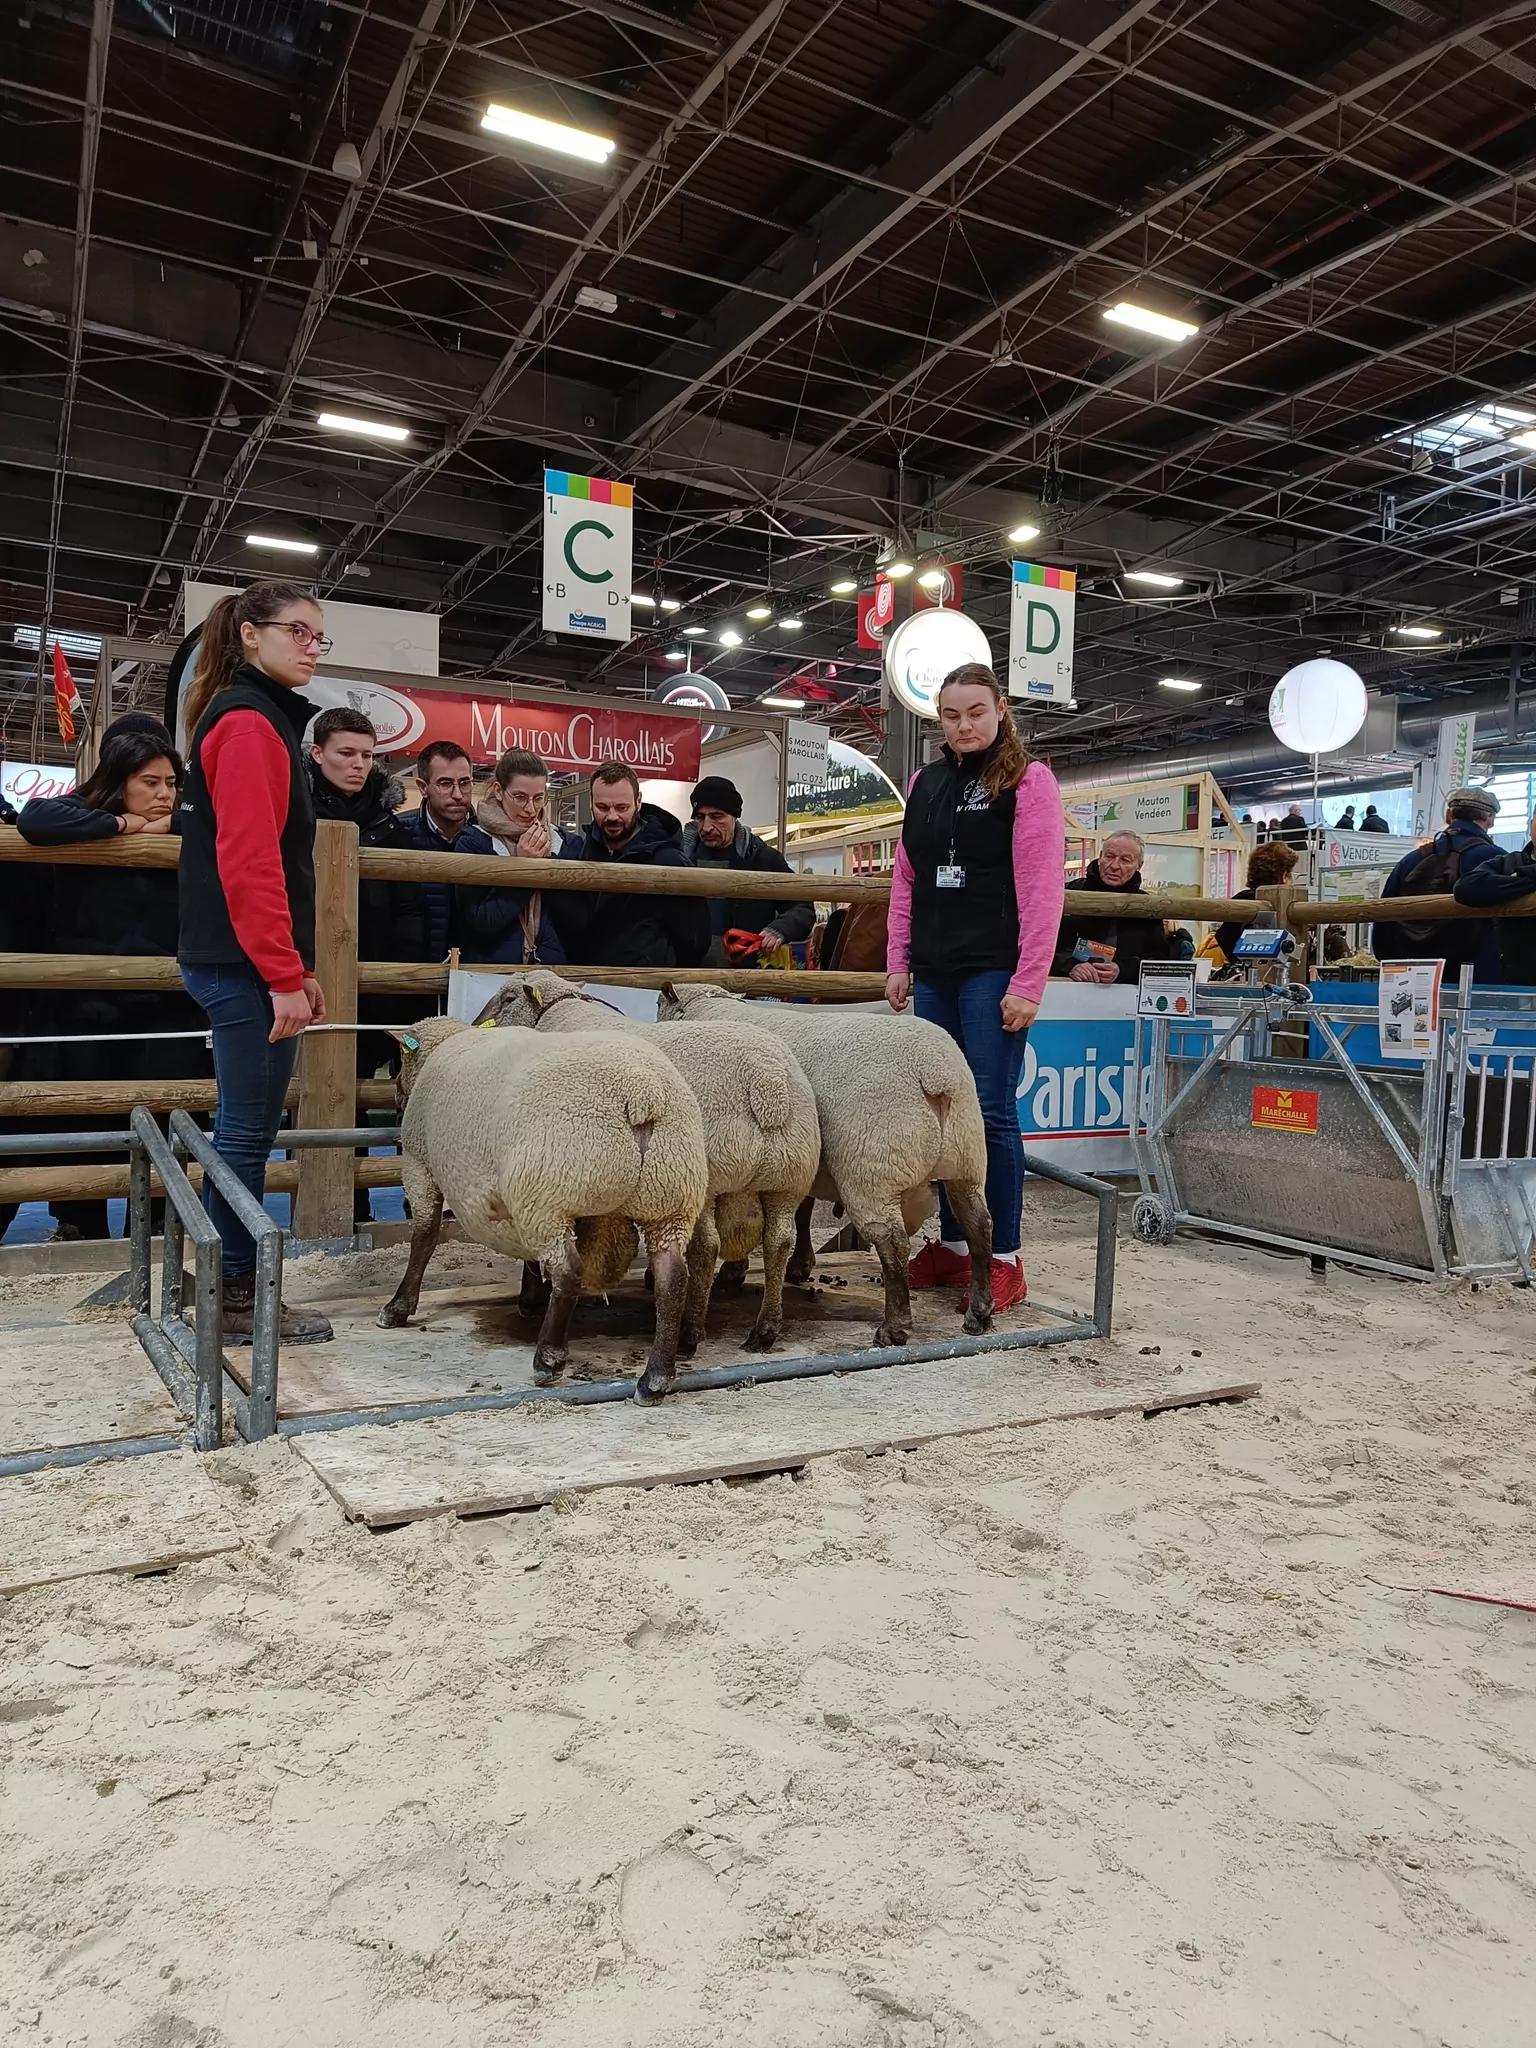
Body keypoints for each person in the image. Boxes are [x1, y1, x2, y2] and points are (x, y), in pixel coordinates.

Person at [176, 580, 333, 1344]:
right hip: (241, 964)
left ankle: (228, 1285)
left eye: (318, 636)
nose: (311, 646)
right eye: (296, 631)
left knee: (245, 1129)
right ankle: (236, 1295)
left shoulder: (250, 717)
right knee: (243, 1134)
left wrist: (297, 967)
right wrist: (280, 972)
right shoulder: (247, 724)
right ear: (249, 633)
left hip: (245, 960)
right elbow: (251, 863)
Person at [885, 662, 1064, 1312]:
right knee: (943, 1112)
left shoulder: (1028, 781)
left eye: (976, 713)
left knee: (990, 1111)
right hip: (934, 970)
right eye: (952, 715)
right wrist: (898, 959)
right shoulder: (924, 783)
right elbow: (906, 878)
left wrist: (1029, 981)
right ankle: (957, 1247)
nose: (964, 726)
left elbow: (1042, 888)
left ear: (1001, 709)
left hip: (993, 970)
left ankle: (1005, 1257)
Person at [15, 719, 210, 1241]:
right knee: (84, 1117)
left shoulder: (189, 822)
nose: (164, 793)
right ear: (118, 778)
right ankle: (79, 1226)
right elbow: (36, 818)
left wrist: (166, 825)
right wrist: (123, 825)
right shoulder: (85, 812)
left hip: (169, 1000)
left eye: (171, 783)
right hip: (88, 1001)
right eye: (150, 782)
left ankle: (157, 1232)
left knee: (166, 1114)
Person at [557, 763, 710, 969]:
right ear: (591, 803)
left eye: (622, 808)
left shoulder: (670, 862)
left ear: (638, 801)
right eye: (602, 807)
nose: (612, 816)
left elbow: (694, 940)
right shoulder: (581, 853)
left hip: (645, 983)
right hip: (584, 980)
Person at [1372, 786, 1503, 985]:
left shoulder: (1411, 860)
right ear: (1489, 818)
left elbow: (1384, 921)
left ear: (1449, 815)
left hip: (1416, 976)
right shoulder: (1497, 859)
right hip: (1477, 974)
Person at [681, 775, 814, 968]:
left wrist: (778, 930)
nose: (707, 826)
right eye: (700, 817)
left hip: (745, 974)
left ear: (734, 817)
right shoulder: (679, 859)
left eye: (717, 816)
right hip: (687, 971)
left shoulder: (764, 859)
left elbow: (802, 905)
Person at [469, 747, 573, 963]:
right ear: (499, 791)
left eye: (539, 798)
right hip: (492, 972)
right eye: (520, 797)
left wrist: (546, 866)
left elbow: (576, 922)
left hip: (551, 970)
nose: (531, 809)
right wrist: (524, 869)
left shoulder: (563, 843)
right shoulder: (473, 841)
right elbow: (481, 922)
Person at [1050, 830, 1181, 986]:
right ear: (1100, 856)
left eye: (1125, 860)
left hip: (1122, 995)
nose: (1114, 866)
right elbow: (1037, 945)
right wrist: (1069, 965)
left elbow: (1158, 960)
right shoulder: (1067, 893)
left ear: (1139, 865)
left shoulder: (1147, 906)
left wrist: (1123, 970)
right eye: (1109, 856)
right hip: (1064, 989)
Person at [1454, 807, 1536, 985]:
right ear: (1531, 826)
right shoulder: (1510, 861)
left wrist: (1518, 878)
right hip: (1518, 980)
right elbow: (1466, 888)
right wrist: (1528, 879)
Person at [1211, 840, 1299, 966]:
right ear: (1284, 876)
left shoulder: (1240, 901)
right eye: (1292, 875)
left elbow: (1224, 936)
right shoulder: (1284, 906)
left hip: (1244, 971)